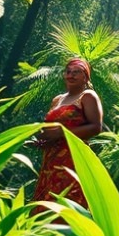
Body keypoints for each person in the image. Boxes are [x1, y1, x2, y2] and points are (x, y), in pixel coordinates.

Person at [31, 58, 103, 210]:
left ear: (85, 76)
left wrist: (61, 133)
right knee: (47, 200)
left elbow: (96, 127)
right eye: (68, 72)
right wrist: (44, 140)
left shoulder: (88, 96)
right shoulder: (57, 100)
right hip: (51, 160)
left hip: (74, 158)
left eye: (76, 72)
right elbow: (50, 129)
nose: (70, 75)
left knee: (69, 199)